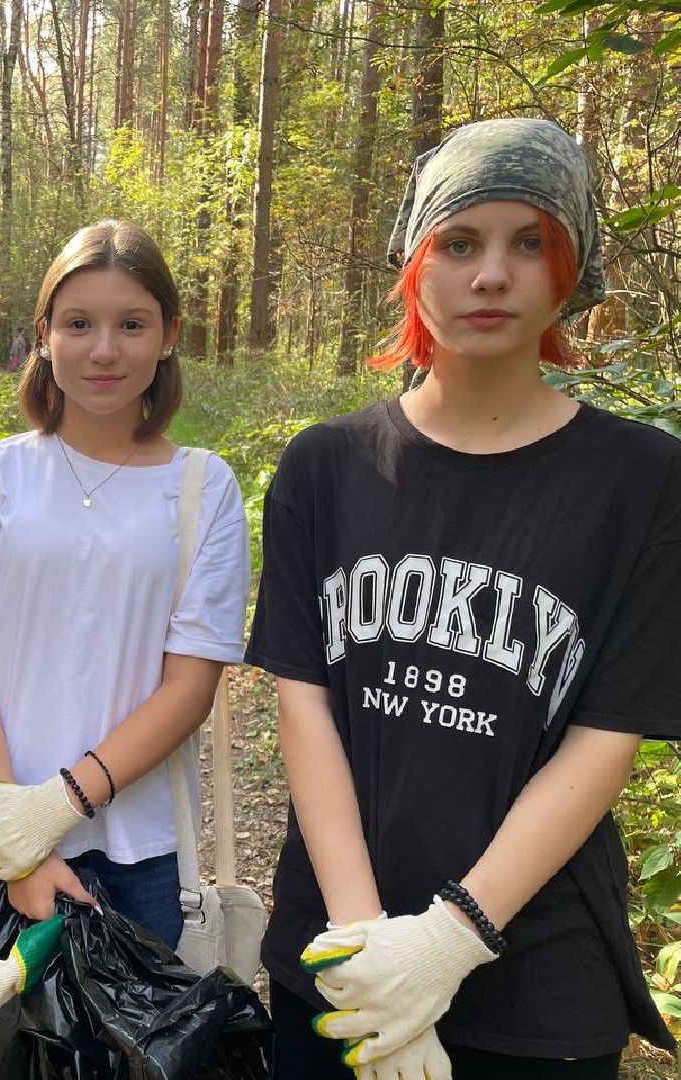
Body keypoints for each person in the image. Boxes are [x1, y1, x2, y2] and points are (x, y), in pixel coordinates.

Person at [246, 117, 681, 1080]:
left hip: (536, 975)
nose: (492, 275)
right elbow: (306, 702)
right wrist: (366, 943)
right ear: (414, 261)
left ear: (574, 268)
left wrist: (450, 939)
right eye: (460, 242)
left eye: (531, 242)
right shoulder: (327, 466)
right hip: (335, 955)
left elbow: (608, 732)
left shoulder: (645, 481)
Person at [0, 219, 251, 945]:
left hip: (139, 847)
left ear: (169, 334)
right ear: (45, 333)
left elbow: (188, 688)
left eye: (131, 324)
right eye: (79, 323)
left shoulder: (203, 487)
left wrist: (57, 811)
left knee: (126, 1058)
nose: (104, 349)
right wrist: (16, 835)